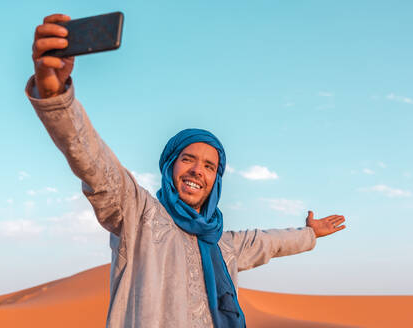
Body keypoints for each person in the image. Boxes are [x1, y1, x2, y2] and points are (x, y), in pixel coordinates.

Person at [26, 13, 346, 328]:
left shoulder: (223, 244)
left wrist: (309, 233)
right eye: (188, 159)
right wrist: (56, 97)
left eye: (209, 166)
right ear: (170, 165)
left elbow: (269, 242)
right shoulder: (139, 218)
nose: (197, 171)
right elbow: (95, 164)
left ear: (216, 181)